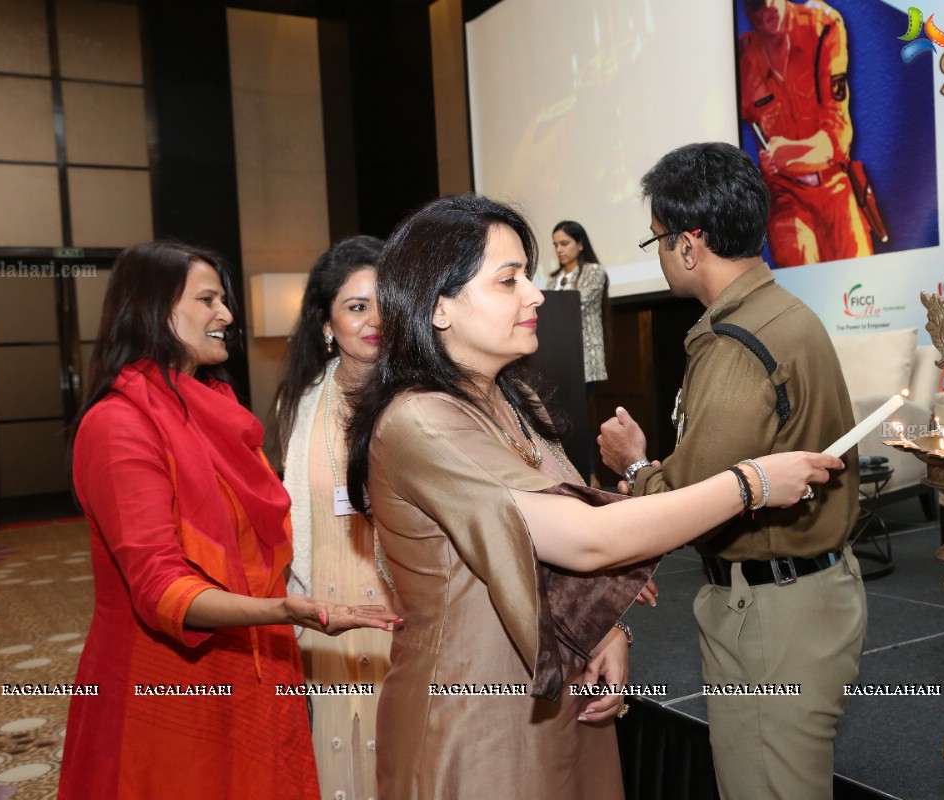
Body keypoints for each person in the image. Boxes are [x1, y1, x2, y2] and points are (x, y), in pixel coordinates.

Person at [343, 194, 843, 799]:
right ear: (440, 307)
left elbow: (553, 538)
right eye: (509, 280)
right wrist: (751, 484)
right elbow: (584, 538)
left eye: (528, 275)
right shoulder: (421, 421)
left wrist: (605, 630)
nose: (534, 294)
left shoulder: (514, 401)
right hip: (474, 708)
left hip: (556, 683)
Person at [59, 240, 400, 799]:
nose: (227, 316)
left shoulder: (210, 406)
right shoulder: (118, 424)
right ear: (153, 308)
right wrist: (284, 609)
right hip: (166, 682)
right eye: (208, 299)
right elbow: (159, 587)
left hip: (251, 664)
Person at [598, 142, 865, 800]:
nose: (658, 255)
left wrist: (634, 468)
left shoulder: (738, 344)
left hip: (773, 617)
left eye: (656, 239)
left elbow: (692, 499)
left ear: (689, 245)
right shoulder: (784, 315)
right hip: (803, 596)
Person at [273, 236, 392, 800]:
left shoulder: (420, 398)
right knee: (338, 746)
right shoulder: (299, 406)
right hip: (328, 598)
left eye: (384, 301)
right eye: (356, 306)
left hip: (401, 601)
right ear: (326, 323)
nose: (375, 320)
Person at [738, 0, 873, 267]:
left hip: (835, 184)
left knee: (867, 288)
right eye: (756, 9)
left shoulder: (822, 28)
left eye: (769, 5)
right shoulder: (741, 60)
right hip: (784, 197)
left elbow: (838, 137)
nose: (766, 15)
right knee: (804, 293)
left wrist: (788, 153)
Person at [546, 220, 609, 485]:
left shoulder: (594, 272)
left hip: (585, 359)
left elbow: (575, 304)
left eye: (564, 243)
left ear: (580, 244)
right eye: (555, 245)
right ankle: (567, 475)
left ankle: (590, 475)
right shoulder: (552, 279)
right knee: (557, 419)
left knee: (577, 415)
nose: (559, 250)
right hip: (557, 358)